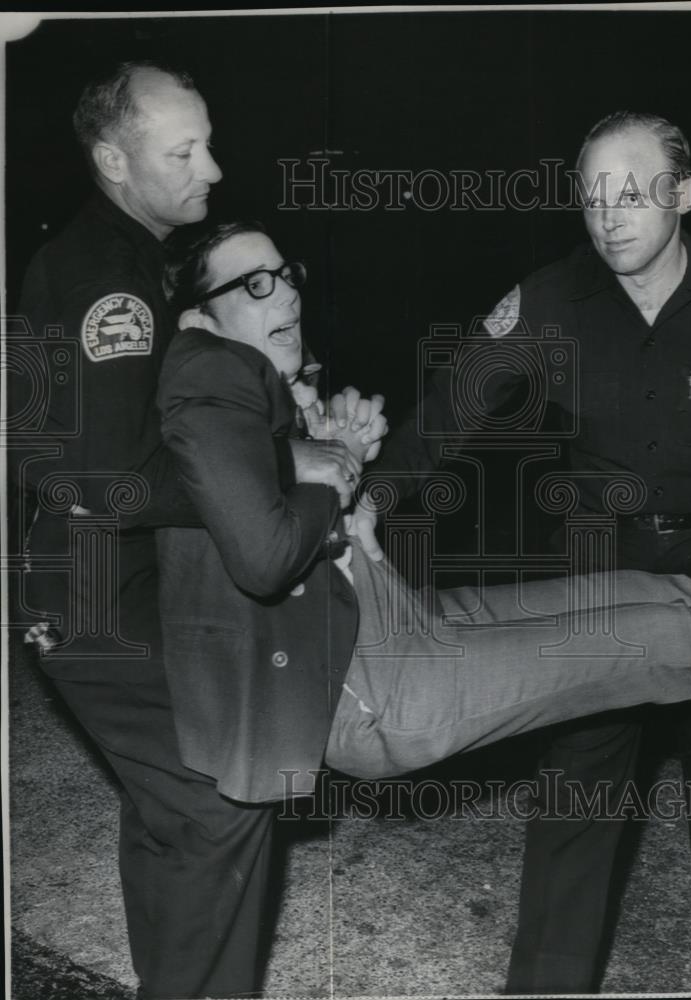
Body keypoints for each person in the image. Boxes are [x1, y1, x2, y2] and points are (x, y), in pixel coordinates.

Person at [350, 111, 691, 992]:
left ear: (687, 195)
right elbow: (448, 417)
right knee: (577, 798)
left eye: (633, 192)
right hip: (596, 582)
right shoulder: (550, 300)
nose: (610, 215)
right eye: (593, 195)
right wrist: (365, 502)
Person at [156, 219, 691, 805]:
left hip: (394, 623)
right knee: (667, 639)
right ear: (198, 321)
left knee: (653, 595)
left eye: (285, 276)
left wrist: (330, 448)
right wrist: (340, 460)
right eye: (256, 285)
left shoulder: (260, 386)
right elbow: (261, 544)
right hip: (379, 691)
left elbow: (262, 462)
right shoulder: (209, 375)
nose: (288, 296)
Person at [11, 61, 361, 1000]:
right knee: (218, 800)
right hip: (92, 593)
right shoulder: (108, 280)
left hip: (114, 582)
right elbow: (116, 478)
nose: (211, 168)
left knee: (170, 806)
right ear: (113, 160)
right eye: (185, 150)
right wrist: (292, 466)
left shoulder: (124, 259)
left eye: (207, 141)